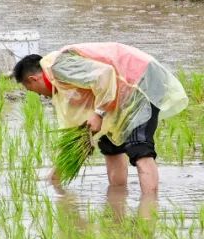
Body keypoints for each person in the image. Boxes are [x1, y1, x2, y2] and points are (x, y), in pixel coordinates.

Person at [12, 43, 188, 196]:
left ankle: (149, 211)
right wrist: (60, 170)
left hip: (140, 80)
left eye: (33, 90)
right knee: (110, 145)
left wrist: (99, 113)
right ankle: (117, 203)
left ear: (33, 79)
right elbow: (84, 114)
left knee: (139, 148)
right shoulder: (60, 83)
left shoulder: (59, 67)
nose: (40, 95)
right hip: (118, 92)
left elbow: (104, 74)